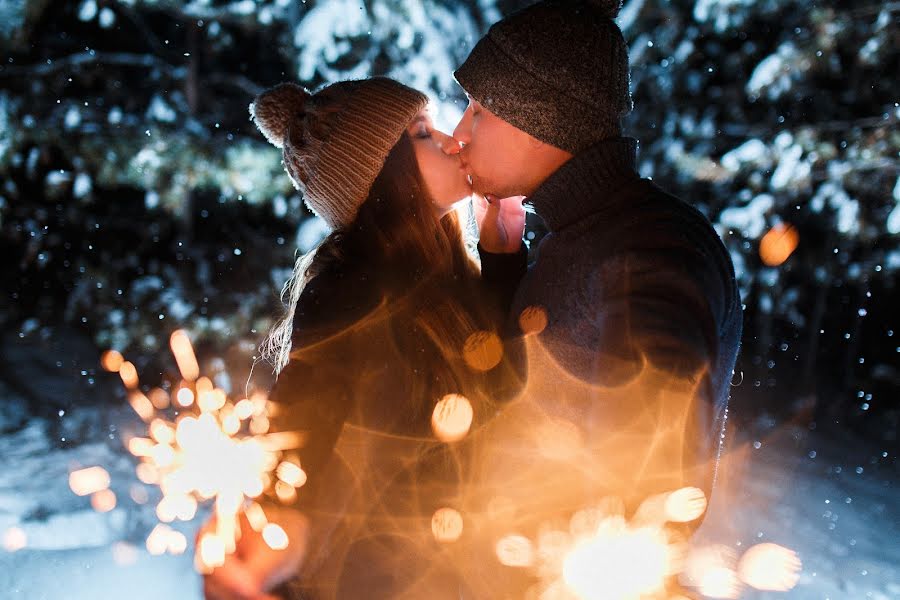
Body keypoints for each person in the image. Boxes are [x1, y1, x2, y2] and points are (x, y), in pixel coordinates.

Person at [451, 0, 743, 594]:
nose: (459, 135)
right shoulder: (585, 238)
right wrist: (506, 267)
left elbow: (651, 479)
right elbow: (526, 394)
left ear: (542, 118)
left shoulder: (651, 249)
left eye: (478, 111)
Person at [199, 77, 522, 600]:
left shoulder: (441, 273)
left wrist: (503, 256)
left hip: (451, 569)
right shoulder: (351, 288)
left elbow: (497, 384)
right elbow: (304, 417)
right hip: (378, 578)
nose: (450, 140)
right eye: (421, 134)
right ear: (380, 177)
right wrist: (283, 525)